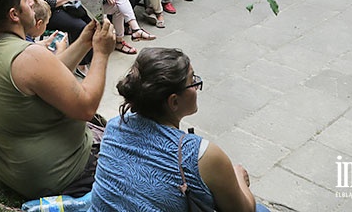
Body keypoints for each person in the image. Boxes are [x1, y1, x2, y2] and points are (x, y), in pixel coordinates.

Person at [0, 0, 116, 199]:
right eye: (26, 0)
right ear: (14, 15)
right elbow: (87, 107)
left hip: (6, 165)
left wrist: (84, 41)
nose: (32, 3)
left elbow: (49, 75)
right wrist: (101, 53)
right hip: (56, 176)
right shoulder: (31, 56)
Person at [90, 48, 266, 212]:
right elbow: (244, 210)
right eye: (192, 81)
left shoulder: (115, 126)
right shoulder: (202, 155)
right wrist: (239, 178)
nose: (196, 86)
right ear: (173, 101)